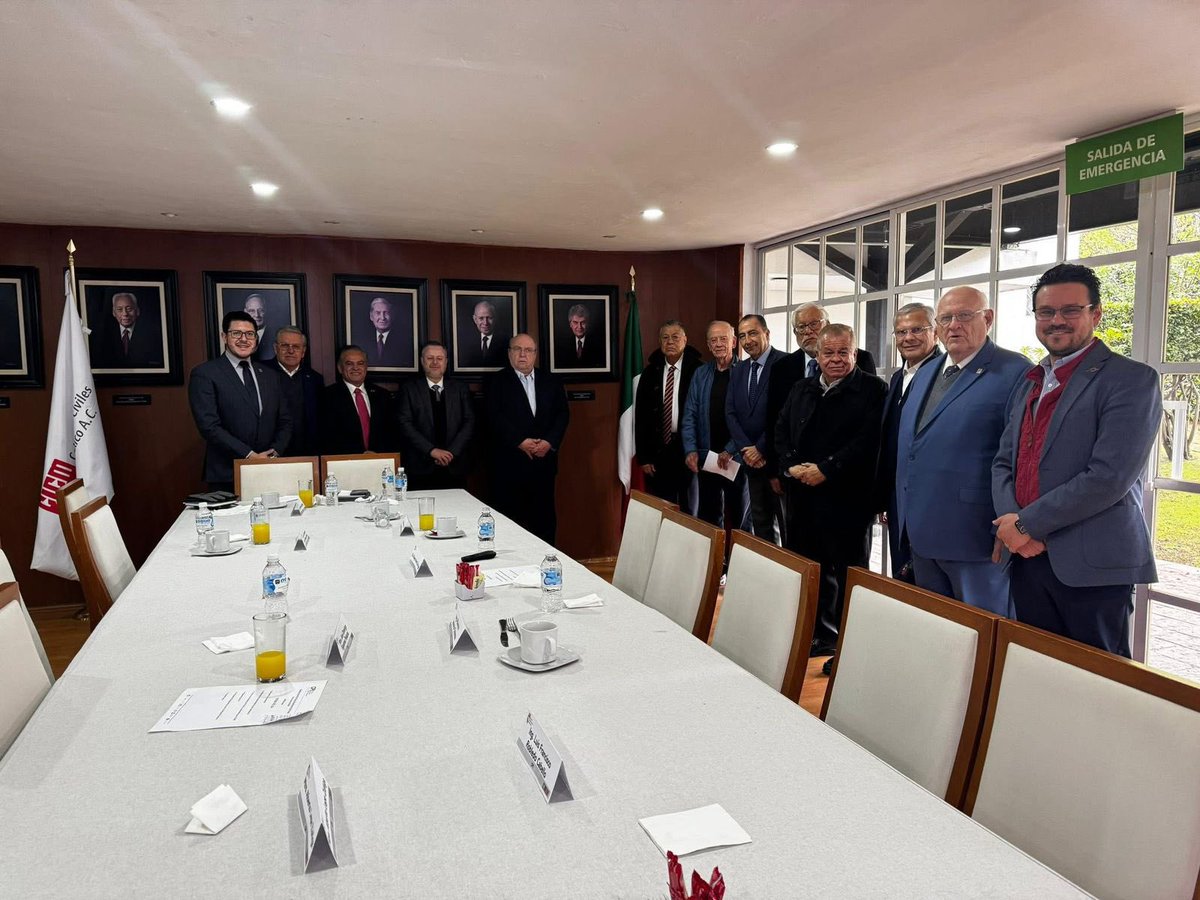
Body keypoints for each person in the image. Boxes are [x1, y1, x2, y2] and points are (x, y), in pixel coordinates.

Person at [993, 264, 1161, 657]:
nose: (1057, 320)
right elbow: (1003, 462)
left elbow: (1108, 477)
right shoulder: (1032, 381)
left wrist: (1025, 524)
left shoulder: (1131, 379)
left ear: (1095, 314)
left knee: (1097, 681)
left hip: (1091, 566)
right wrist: (1012, 527)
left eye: (1070, 310)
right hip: (1026, 557)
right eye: (1046, 311)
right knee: (1035, 668)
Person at [895, 286, 1029, 615]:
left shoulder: (1016, 372)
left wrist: (1008, 525)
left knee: (982, 632)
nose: (954, 325)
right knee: (935, 630)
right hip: (920, 534)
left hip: (977, 538)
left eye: (965, 316)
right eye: (945, 318)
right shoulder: (925, 371)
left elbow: (1019, 458)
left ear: (988, 318)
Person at [777, 323, 885, 655]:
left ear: (855, 353)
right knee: (814, 569)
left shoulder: (874, 389)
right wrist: (791, 465)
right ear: (818, 354)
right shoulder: (802, 387)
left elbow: (868, 441)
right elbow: (781, 430)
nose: (836, 359)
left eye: (843, 352)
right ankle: (822, 636)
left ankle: (851, 647)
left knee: (850, 574)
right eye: (829, 352)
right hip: (803, 496)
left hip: (848, 499)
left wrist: (826, 469)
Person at [766, 302, 876, 518]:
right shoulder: (789, 373)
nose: (808, 331)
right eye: (801, 327)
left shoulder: (868, 375)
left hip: (847, 486)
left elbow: (868, 434)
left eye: (814, 324)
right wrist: (786, 466)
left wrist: (826, 468)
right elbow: (777, 424)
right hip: (799, 483)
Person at [187, 310, 292, 492]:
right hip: (227, 473)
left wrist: (274, 453)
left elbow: (285, 420)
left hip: (269, 468)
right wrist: (249, 455)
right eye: (236, 333)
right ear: (224, 337)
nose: (244, 339)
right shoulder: (205, 374)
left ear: (256, 339)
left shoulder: (270, 376)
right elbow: (209, 426)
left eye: (250, 334)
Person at [485, 334, 569, 543]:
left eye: (528, 350)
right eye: (517, 349)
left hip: (543, 462)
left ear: (535, 354)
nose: (523, 354)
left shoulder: (551, 381)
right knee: (509, 521)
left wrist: (549, 442)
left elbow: (562, 414)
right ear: (509, 353)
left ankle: (546, 558)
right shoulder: (496, 381)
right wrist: (520, 442)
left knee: (544, 520)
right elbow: (493, 416)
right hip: (509, 464)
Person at [877, 302, 940, 583]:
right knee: (902, 573)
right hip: (896, 494)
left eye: (917, 330)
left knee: (926, 581)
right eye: (901, 332)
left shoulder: (944, 375)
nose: (908, 338)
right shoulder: (897, 377)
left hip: (927, 496)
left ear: (935, 332)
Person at [682, 320, 749, 538]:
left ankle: (737, 559)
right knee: (709, 517)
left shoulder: (745, 372)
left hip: (736, 458)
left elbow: (748, 419)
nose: (718, 344)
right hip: (707, 457)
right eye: (713, 340)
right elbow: (689, 414)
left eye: (723, 339)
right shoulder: (701, 373)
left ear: (733, 342)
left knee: (740, 519)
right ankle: (714, 559)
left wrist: (730, 450)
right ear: (708, 345)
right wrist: (690, 449)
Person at [726, 314, 787, 544]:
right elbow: (730, 412)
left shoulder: (785, 364)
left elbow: (784, 415)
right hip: (750, 463)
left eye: (753, 333)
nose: (747, 340)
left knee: (786, 527)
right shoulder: (738, 369)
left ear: (766, 334)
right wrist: (746, 448)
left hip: (776, 462)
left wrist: (760, 448)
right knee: (761, 527)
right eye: (742, 336)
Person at [635, 320, 701, 512]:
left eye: (675, 337)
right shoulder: (650, 372)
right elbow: (641, 418)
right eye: (665, 337)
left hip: (689, 449)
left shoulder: (699, 370)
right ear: (660, 341)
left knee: (690, 510)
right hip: (658, 451)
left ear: (685, 340)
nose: (670, 341)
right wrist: (644, 457)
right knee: (662, 509)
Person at [397, 340, 476, 490]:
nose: (435, 362)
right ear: (422, 361)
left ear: (446, 362)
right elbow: (404, 424)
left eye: (439, 358)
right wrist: (432, 451)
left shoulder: (460, 388)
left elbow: (469, 421)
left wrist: (451, 453)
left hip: (455, 465)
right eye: (430, 358)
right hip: (421, 466)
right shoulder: (409, 388)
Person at [318, 345, 400, 454]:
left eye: (360, 363)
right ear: (340, 368)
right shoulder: (327, 396)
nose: (355, 368)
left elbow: (391, 433)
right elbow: (326, 437)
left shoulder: (383, 395)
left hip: (379, 459)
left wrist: (376, 454)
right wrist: (359, 456)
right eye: (349, 364)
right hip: (344, 460)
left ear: (366, 367)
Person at [270, 326, 323, 457]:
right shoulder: (261, 372)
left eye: (296, 346)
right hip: (270, 451)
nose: (291, 351)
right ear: (275, 348)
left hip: (306, 452)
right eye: (285, 346)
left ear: (303, 352)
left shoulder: (315, 379)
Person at [96, 292, 162, 368]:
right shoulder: (103, 336)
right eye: (119, 309)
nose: (125, 314)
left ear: (137, 311)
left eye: (129, 309)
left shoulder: (153, 335)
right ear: (114, 313)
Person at [458, 299, 510, 368]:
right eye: (481, 318)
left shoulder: (506, 341)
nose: (485, 323)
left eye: (489, 318)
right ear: (475, 319)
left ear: (495, 318)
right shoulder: (465, 341)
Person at [554, 304, 606, 369]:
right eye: (575, 322)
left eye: (583, 322)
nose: (579, 327)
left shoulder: (599, 345)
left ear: (588, 323)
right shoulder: (561, 345)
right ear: (570, 324)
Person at [364, 296, 410, 368]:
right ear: (371, 316)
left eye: (386, 313)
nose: (382, 318)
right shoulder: (363, 340)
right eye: (378, 313)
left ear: (392, 315)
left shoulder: (404, 340)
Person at [243, 294, 274, 362]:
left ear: (266, 310)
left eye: (261, 310)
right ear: (245, 312)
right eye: (252, 311)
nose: (257, 315)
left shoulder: (276, 336)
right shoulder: (239, 336)